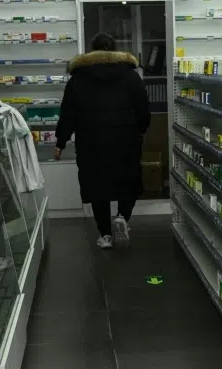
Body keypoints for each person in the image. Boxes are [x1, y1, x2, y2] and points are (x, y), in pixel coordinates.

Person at [54, 33, 151, 249]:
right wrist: (140, 131)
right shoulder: (131, 77)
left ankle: (105, 235)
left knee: (98, 187)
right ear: (115, 50)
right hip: (125, 140)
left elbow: (67, 113)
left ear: (92, 51)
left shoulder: (78, 79)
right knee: (128, 181)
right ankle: (122, 217)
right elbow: (144, 110)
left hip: (91, 142)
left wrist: (60, 142)